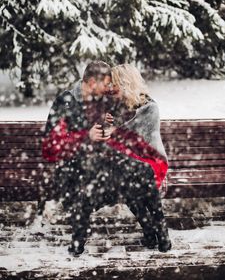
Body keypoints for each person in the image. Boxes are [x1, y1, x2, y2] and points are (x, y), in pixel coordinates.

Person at [41, 60, 114, 252]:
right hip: (70, 168)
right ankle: (78, 242)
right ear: (92, 83)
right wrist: (85, 138)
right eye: (106, 84)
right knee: (85, 183)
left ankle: (154, 234)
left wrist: (105, 124)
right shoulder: (65, 102)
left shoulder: (98, 101)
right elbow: (51, 147)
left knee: (131, 173)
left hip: (94, 164)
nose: (108, 88)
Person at [105, 64, 171, 252]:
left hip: (152, 160)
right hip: (130, 162)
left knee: (140, 178)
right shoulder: (119, 105)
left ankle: (159, 230)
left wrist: (116, 130)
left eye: (115, 84)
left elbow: (135, 132)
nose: (111, 88)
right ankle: (151, 229)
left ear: (126, 83)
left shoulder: (150, 107)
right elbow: (111, 136)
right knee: (127, 184)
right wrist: (108, 121)